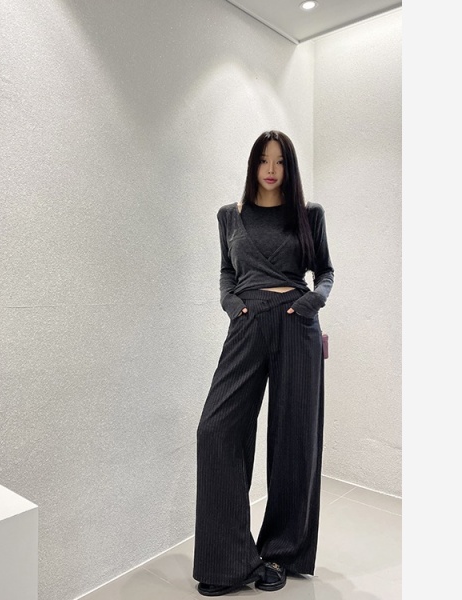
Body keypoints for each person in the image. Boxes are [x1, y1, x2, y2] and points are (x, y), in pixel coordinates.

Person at [192, 130, 334, 596]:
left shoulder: (309, 214)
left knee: (294, 439)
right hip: (248, 321)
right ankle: (227, 561)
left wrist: (312, 302)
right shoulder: (228, 216)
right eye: (263, 160)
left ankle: (280, 553)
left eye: (280, 161)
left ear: (289, 168)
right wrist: (232, 305)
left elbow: (325, 271)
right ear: (253, 164)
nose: (271, 170)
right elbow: (226, 271)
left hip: (297, 323)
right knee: (216, 431)